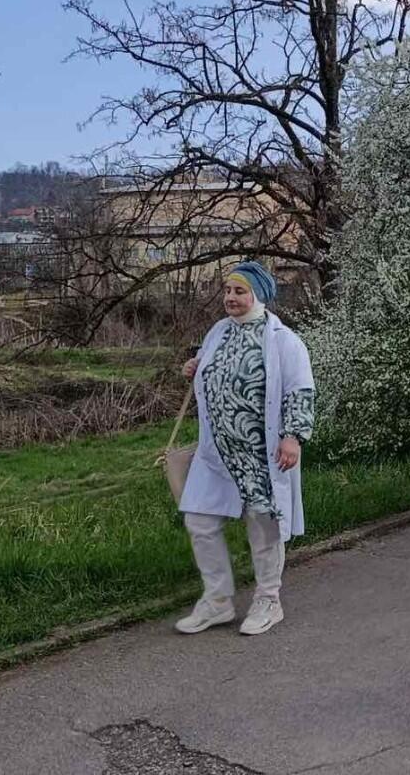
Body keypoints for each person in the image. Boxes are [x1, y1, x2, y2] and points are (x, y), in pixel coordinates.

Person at [176, 262, 315, 637]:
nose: (230, 298)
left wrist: (292, 436)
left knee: (263, 527)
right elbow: (212, 367)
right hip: (217, 453)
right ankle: (217, 601)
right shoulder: (218, 331)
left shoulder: (284, 340)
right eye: (227, 291)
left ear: (259, 295)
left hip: (260, 455)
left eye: (239, 291)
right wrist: (195, 367)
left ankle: (268, 600)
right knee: (199, 520)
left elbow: (300, 391)